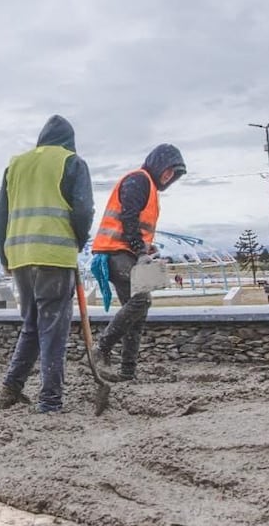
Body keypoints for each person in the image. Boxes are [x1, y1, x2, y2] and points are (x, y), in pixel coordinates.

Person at [0, 114, 94, 413]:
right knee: (53, 328)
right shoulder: (72, 162)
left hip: (21, 257)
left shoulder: (15, 166)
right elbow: (84, 210)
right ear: (69, 142)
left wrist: (5, 257)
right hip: (54, 256)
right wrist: (77, 240)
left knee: (32, 324)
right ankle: (50, 401)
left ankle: (11, 388)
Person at [91, 144, 187, 382]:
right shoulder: (139, 180)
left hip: (124, 252)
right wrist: (138, 247)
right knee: (141, 300)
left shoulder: (148, 186)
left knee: (137, 315)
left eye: (173, 175)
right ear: (158, 164)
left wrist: (145, 248)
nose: (169, 177)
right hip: (115, 253)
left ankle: (127, 371)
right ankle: (100, 348)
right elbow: (128, 217)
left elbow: (135, 223)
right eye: (168, 171)